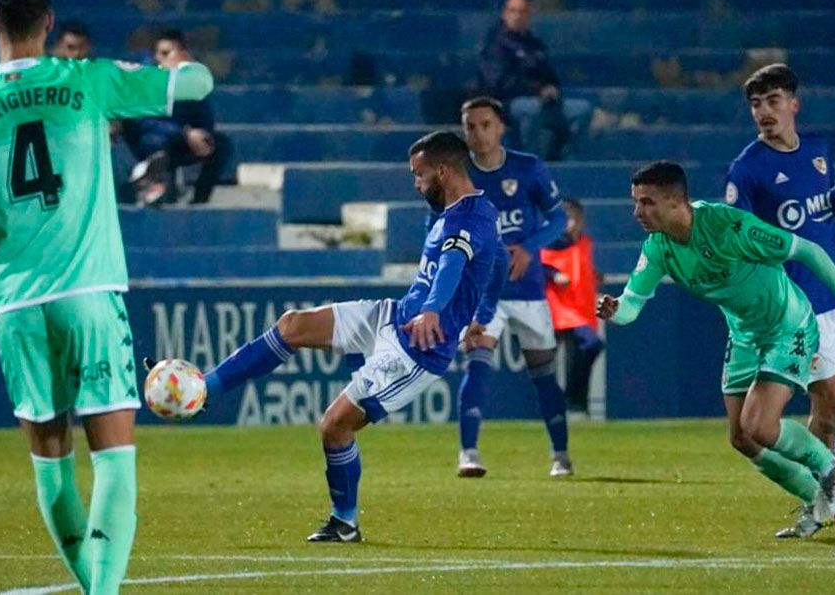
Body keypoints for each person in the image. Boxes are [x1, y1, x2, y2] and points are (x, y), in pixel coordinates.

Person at [0, 0, 213, 594]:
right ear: (49, 22)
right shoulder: (86, 79)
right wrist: (180, 63)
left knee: (52, 468)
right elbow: (197, 83)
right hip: (88, 291)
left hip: (17, 304)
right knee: (113, 461)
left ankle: (93, 588)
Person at [200, 131, 504, 542]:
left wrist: (437, 309)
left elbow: (452, 263)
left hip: (418, 349)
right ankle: (204, 388)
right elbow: (499, 260)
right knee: (293, 325)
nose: (415, 184)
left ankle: (345, 522)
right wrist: (480, 311)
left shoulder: (471, 217)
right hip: (395, 316)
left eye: (419, 175)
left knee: (333, 427)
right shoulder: (448, 210)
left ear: (443, 171)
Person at [597, 161, 835, 538]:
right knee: (742, 438)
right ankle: (818, 500)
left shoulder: (729, 227)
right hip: (745, 334)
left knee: (760, 425)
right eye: (636, 203)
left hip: (787, 324)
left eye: (647, 203)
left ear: (677, 201)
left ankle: (832, 467)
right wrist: (616, 311)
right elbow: (632, 304)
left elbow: (807, 250)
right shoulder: (659, 247)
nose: (638, 212)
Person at [726, 63, 835, 526]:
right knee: (830, 401)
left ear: (793, 104)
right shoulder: (747, 170)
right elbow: (738, 239)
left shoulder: (817, 150)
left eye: (773, 101)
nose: (764, 112)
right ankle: (822, 497)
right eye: (756, 104)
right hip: (797, 309)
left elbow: (823, 203)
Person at [454, 96, 573, 478]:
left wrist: (528, 248)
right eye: (470, 126)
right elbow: (438, 229)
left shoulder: (528, 168)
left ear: (501, 126)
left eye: (485, 124)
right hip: (481, 291)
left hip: (528, 289)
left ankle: (561, 456)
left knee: (543, 374)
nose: (478, 133)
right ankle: (468, 453)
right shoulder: (457, 175)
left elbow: (558, 220)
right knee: (477, 364)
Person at [119, 29, 230, 205]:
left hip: (181, 142)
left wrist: (202, 136)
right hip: (149, 143)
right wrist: (184, 133)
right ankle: (154, 187)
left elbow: (204, 115)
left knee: (221, 144)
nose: (166, 59)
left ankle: (199, 200)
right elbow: (141, 122)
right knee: (156, 143)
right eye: (162, 53)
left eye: (173, 53)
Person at [476, 0, 591, 161]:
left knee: (582, 110)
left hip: (545, 102)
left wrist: (552, 89)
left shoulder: (535, 45)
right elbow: (498, 82)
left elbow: (550, 75)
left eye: (522, 12)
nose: (517, 16)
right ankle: (530, 162)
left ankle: (562, 159)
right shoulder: (494, 46)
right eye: (512, 11)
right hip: (509, 104)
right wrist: (536, 90)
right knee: (531, 110)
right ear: (504, 14)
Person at [540, 199, 604, 417]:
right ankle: (566, 403)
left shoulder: (585, 242)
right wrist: (553, 274)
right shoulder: (550, 243)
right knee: (547, 357)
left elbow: (581, 267)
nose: (574, 224)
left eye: (577, 219)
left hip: (581, 310)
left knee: (589, 347)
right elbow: (537, 264)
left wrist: (594, 276)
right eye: (569, 219)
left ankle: (575, 403)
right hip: (559, 308)